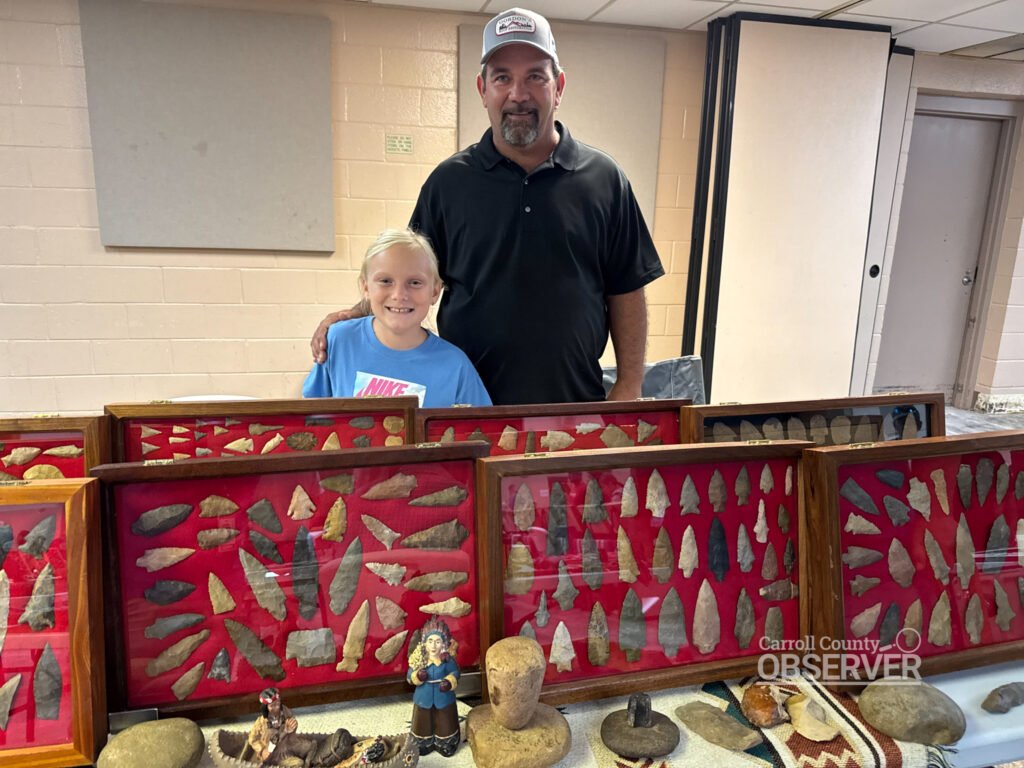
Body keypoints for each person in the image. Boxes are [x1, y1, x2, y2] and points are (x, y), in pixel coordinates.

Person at [311, 7, 663, 406]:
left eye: (535, 76)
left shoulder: (604, 179)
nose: (518, 94)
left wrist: (630, 384)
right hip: (463, 409)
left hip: (574, 405)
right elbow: (409, 276)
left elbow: (628, 287)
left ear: (559, 86)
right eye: (502, 78)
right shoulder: (449, 183)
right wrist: (354, 313)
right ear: (482, 89)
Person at [302, 228, 491, 407]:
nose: (399, 295)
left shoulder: (455, 366)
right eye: (385, 281)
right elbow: (311, 419)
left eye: (415, 282)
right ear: (366, 287)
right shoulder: (339, 341)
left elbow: (482, 432)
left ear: (435, 291)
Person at [407, 616, 460, 757]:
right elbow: (409, 674)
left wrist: (449, 682)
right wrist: (417, 676)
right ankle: (423, 742)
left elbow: (455, 672)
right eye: (430, 641)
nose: (433, 646)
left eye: (438, 642)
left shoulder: (447, 660)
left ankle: (446, 742)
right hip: (423, 697)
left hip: (444, 697)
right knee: (423, 721)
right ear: (424, 643)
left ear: (444, 644)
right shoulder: (420, 659)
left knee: (444, 720)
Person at [244, 687, 298, 763]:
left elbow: (293, 723)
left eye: (278, 704)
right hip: (271, 753)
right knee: (297, 763)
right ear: (265, 708)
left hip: (285, 746)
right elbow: (252, 739)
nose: (277, 707)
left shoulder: (285, 712)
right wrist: (262, 750)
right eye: (272, 705)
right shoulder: (261, 722)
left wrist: (292, 727)